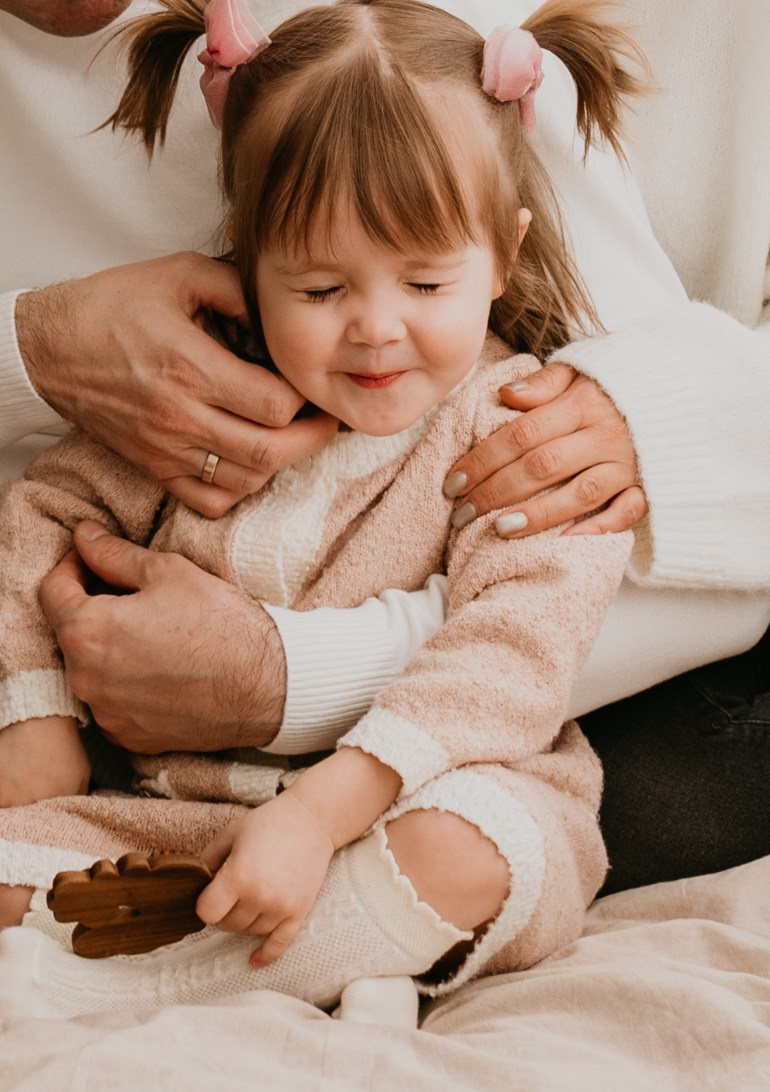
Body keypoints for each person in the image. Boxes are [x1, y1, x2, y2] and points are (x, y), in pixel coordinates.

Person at [3, 0, 769, 890]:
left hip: (423, 775)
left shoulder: (504, 423)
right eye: (320, 288)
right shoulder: (195, 386)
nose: (375, 329)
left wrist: (310, 761)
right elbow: (47, 509)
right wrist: (35, 709)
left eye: (426, 283)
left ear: (505, 253)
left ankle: (300, 928)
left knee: (476, 846)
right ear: (248, 259)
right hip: (170, 795)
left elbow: (522, 640)